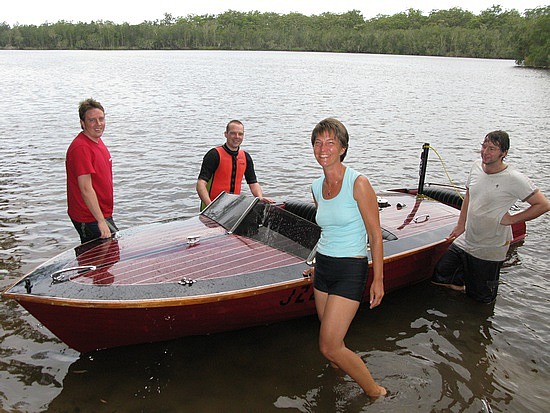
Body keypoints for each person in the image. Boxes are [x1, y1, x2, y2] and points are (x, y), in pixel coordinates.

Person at [303, 118, 386, 397]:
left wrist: (378, 280)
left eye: (330, 142)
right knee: (333, 341)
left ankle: (375, 392)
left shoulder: (358, 183)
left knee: (328, 345)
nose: (322, 148)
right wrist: (315, 265)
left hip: (351, 268)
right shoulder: (316, 187)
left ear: (342, 148)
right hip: (324, 267)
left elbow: (375, 236)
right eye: (317, 142)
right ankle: (336, 379)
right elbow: (325, 231)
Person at [432, 130, 550, 303]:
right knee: (441, 276)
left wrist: (512, 219)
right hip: (467, 239)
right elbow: (469, 194)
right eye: (484, 146)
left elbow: (543, 205)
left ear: (504, 153)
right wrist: (461, 224)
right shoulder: (476, 167)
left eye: (492, 149)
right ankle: (463, 295)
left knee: (481, 300)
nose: (485, 152)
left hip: (490, 247)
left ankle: (478, 313)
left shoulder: (514, 178)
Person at [66, 98, 118, 244]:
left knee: (108, 258)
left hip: (101, 214)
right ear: (82, 123)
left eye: (101, 119)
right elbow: (85, 188)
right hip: (90, 217)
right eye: (92, 120)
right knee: (107, 255)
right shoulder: (81, 148)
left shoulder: (96, 140)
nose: (98, 124)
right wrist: (100, 221)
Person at [196, 120, 272, 210]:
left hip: (233, 208)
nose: (237, 137)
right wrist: (210, 206)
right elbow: (200, 184)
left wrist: (259, 197)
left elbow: (253, 183)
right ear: (226, 134)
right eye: (233, 133)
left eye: (240, 134)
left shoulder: (245, 157)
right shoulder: (214, 155)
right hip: (211, 206)